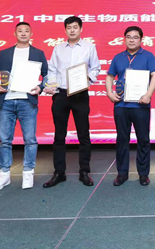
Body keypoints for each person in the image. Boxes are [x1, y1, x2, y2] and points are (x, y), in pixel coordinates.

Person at [0, 22, 48, 191]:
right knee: (5, 140)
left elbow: (47, 75)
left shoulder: (38, 53)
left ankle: (28, 173)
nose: (23, 33)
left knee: (30, 140)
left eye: (27, 31)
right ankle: (4, 175)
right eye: (20, 31)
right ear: (15, 33)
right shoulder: (4, 53)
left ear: (31, 34)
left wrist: (41, 87)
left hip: (27, 101)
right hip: (7, 101)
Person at [42, 16, 101, 188]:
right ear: (65, 30)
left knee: (83, 134)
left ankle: (84, 171)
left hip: (80, 94)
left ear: (81, 29)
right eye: (69, 27)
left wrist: (87, 80)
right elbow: (52, 69)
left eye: (75, 27)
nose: (72, 30)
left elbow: (95, 68)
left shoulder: (89, 47)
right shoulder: (58, 48)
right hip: (61, 94)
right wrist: (52, 85)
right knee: (59, 135)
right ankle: (59, 172)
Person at [106, 26, 155, 186]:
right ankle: (122, 173)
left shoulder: (148, 56)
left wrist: (148, 94)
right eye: (128, 37)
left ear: (141, 39)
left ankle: (143, 174)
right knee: (122, 139)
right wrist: (109, 93)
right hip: (121, 105)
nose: (132, 40)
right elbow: (110, 76)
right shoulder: (118, 57)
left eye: (135, 37)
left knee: (143, 139)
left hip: (140, 105)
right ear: (124, 39)